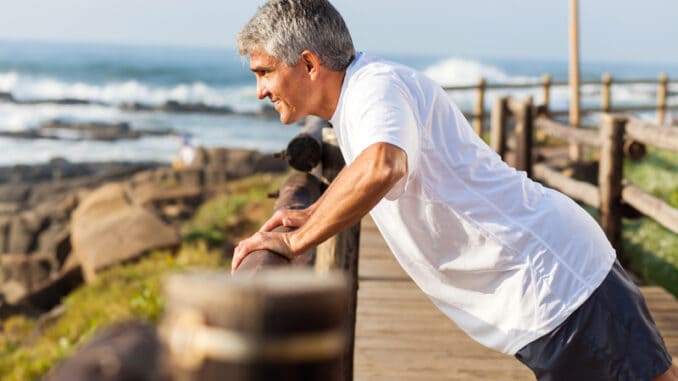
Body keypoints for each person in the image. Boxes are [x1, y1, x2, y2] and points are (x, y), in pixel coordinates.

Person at [232, 1, 677, 380]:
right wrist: (314, 214)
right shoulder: (360, 98)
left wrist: (294, 241)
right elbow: (374, 167)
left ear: (309, 64)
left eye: (265, 72)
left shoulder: (374, 88)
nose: (260, 91)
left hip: (556, 285)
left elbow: (382, 165)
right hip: (543, 288)